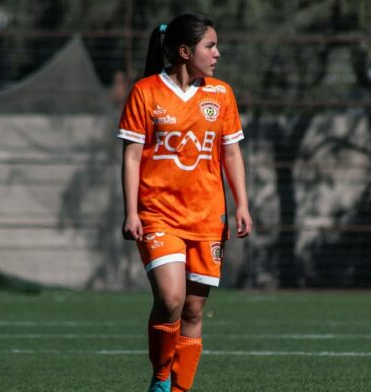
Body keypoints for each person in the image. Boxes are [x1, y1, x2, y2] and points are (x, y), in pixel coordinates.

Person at [117, 13, 252, 392]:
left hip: (208, 217)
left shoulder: (221, 94)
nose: (217, 53)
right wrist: (131, 212)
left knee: (193, 310)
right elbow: (131, 156)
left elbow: (231, 154)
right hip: (157, 213)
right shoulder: (146, 92)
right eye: (210, 46)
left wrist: (241, 203)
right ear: (183, 51)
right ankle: (161, 378)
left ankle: (180, 389)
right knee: (171, 298)